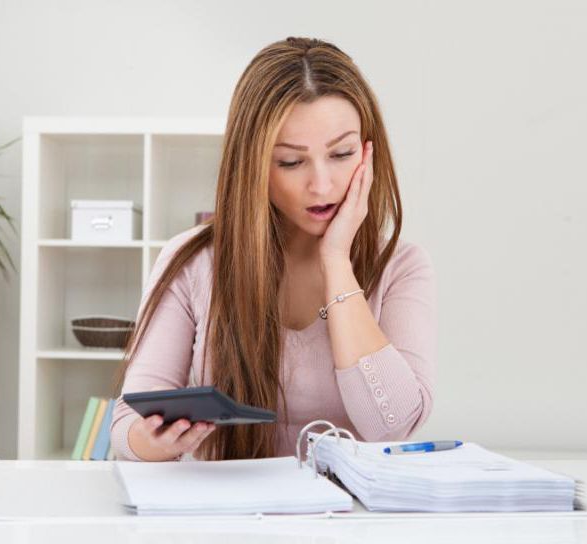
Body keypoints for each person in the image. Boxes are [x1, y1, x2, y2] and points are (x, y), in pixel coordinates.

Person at [110, 36, 437, 462]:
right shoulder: (191, 261)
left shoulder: (402, 267)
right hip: (229, 503)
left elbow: (393, 425)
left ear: (368, 153)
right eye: (290, 162)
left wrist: (337, 262)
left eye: (341, 154)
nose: (321, 184)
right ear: (253, 165)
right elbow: (127, 424)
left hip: (348, 505)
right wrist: (150, 441)